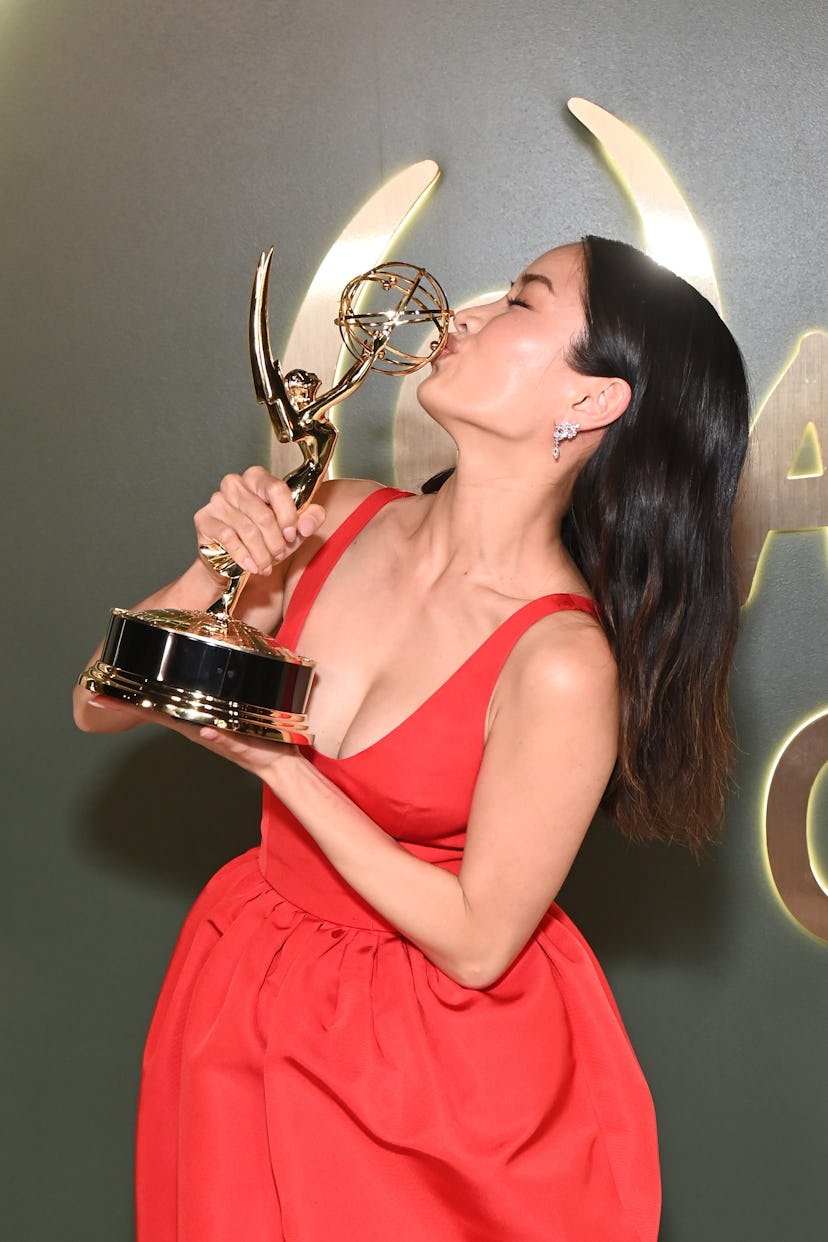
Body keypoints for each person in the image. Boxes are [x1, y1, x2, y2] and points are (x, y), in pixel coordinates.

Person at [73, 236, 750, 1242]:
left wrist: (275, 763)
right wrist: (219, 566)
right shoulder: (333, 515)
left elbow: (478, 943)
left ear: (593, 398)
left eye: (521, 302)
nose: (464, 316)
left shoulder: (562, 660)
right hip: (245, 984)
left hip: (432, 1069)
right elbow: (98, 703)